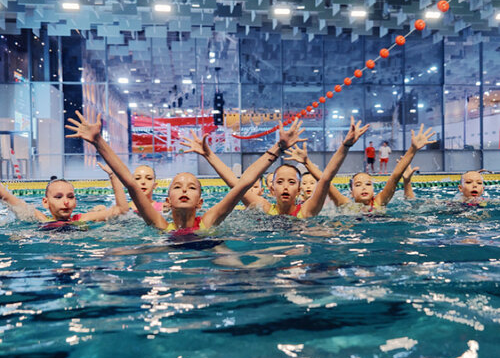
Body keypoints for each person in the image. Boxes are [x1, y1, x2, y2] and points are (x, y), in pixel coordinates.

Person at [65, 111, 306, 232]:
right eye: (178, 187)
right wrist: (99, 142)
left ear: (200, 202)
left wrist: (279, 147)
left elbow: (242, 184)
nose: (184, 190)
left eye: (191, 187)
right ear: (168, 199)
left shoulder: (208, 221)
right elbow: (130, 183)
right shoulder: (160, 224)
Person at [179, 116, 369, 218]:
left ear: (299, 190)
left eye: (291, 182)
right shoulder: (263, 208)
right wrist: (209, 155)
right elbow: (236, 184)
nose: (285, 186)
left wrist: (345, 146)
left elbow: (326, 179)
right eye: (280, 182)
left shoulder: (307, 210)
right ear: (271, 189)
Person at [298, 124, 435, 212]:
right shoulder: (346, 204)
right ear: (351, 193)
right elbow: (324, 181)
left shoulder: (379, 202)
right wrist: (306, 162)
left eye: (368, 184)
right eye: (358, 185)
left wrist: (413, 149)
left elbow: (394, 177)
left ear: (373, 190)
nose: (364, 188)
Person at [0, 162, 128, 226]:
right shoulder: (42, 219)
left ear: (75, 202)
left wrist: (113, 175)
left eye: (70, 197)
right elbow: (6, 196)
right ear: (45, 202)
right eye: (58, 197)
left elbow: (121, 210)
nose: (66, 202)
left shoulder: (82, 219)